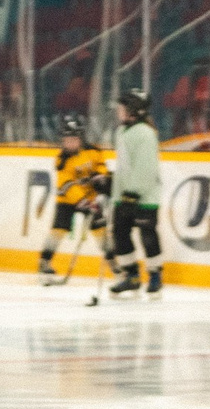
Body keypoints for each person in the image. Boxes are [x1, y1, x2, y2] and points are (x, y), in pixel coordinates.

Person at [106, 90, 164, 299]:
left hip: (145, 198)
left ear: (133, 111)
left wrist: (134, 192)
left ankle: (155, 276)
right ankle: (131, 276)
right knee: (120, 234)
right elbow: (125, 166)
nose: (119, 112)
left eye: (122, 108)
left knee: (147, 235)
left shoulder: (146, 134)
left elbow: (145, 168)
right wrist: (111, 185)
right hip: (124, 196)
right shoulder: (121, 132)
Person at [39, 115, 110, 285]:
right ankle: (45, 262)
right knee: (58, 230)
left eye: (73, 139)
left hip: (92, 198)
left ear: (81, 138)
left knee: (101, 232)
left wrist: (101, 178)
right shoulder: (62, 160)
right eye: (66, 140)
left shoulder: (94, 151)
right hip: (67, 200)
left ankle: (114, 264)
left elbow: (101, 167)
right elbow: (66, 185)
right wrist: (83, 201)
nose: (69, 143)